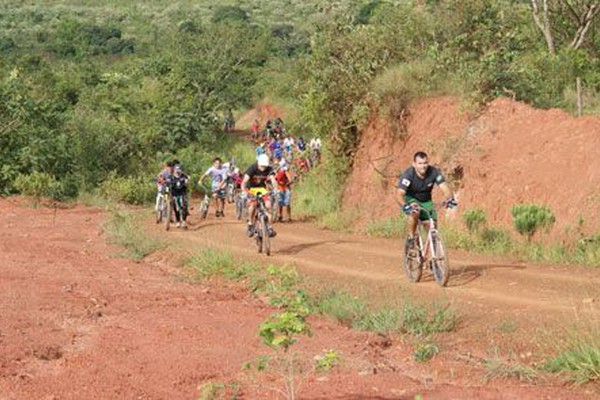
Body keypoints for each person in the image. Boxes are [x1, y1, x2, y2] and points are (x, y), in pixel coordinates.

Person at [396, 151, 457, 248]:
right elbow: (399, 194)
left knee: (432, 227)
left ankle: (432, 256)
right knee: (415, 211)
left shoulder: (433, 172)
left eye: (425, 163)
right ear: (414, 164)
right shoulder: (408, 174)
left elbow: (445, 189)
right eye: (420, 163)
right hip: (411, 198)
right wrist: (405, 206)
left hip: (426, 201)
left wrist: (449, 199)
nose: (423, 166)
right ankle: (411, 238)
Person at [241, 153, 277, 238]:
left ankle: (270, 227)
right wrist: (244, 190)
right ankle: (250, 223)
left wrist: (275, 188)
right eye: (262, 166)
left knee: (268, 205)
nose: (263, 168)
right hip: (251, 189)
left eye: (265, 166)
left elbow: (273, 180)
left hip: (262, 189)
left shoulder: (269, 169)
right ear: (258, 164)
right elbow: (244, 181)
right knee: (253, 205)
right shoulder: (252, 168)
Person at [170, 164, 190, 228]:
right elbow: (167, 181)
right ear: (174, 170)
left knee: (184, 206)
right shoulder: (171, 176)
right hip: (174, 194)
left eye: (179, 169)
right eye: (176, 169)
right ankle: (178, 221)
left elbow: (187, 180)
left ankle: (184, 221)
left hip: (183, 193)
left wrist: (187, 181)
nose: (177, 170)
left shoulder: (184, 175)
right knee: (176, 208)